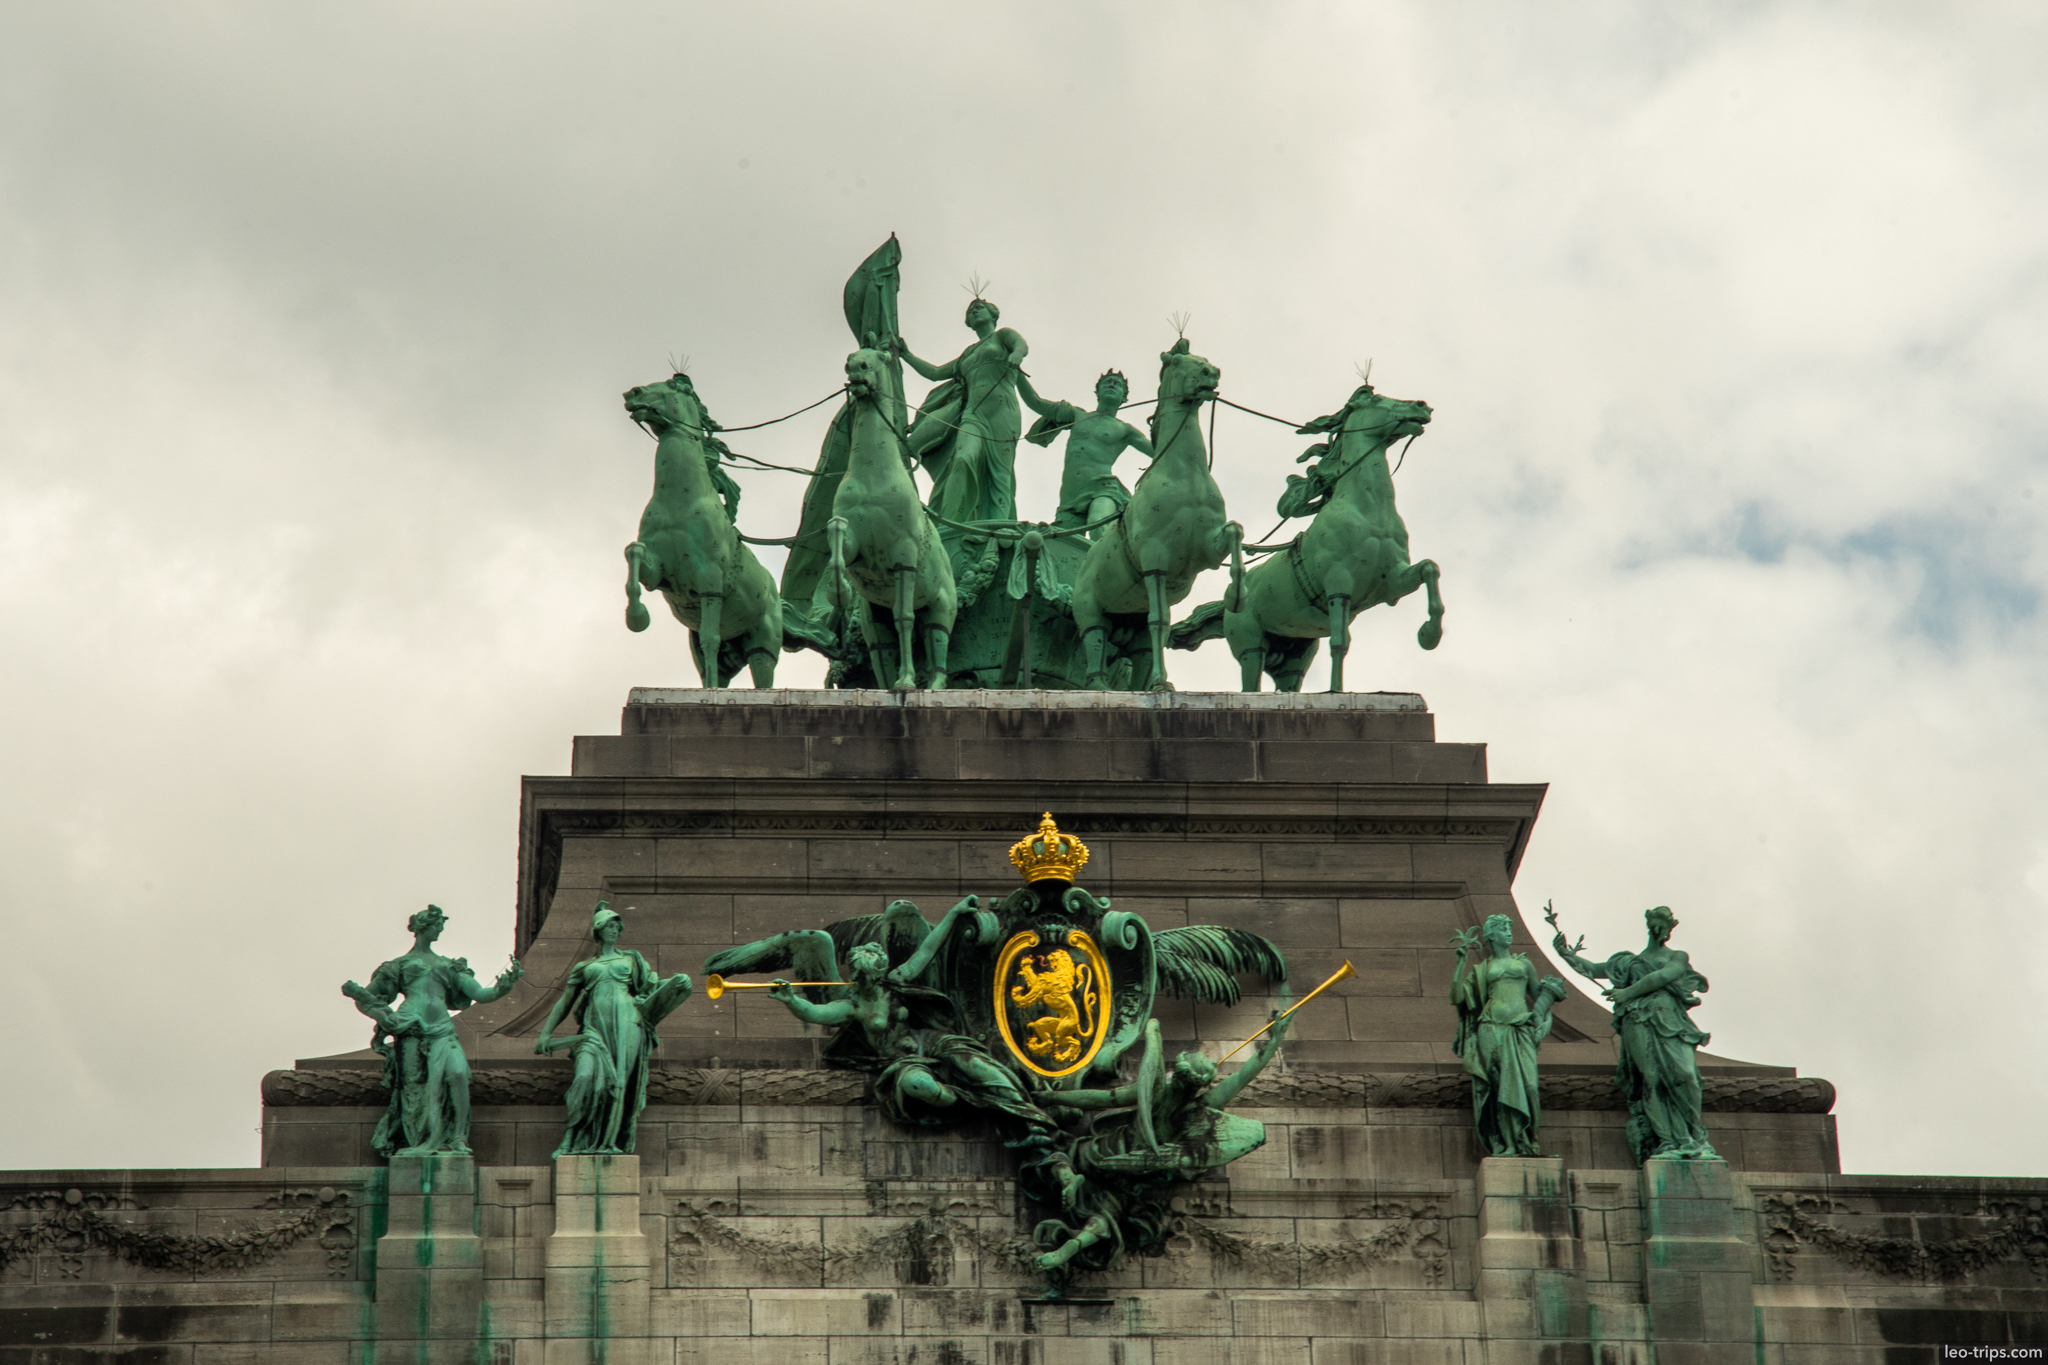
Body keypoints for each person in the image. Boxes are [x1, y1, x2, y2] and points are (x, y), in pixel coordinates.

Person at [767, 940, 1054, 1151]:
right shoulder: (851, 1006)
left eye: (865, 975)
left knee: (979, 1066)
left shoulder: (895, 982)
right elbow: (816, 1013)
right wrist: (793, 1001)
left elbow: (926, 950)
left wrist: (954, 913)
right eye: (856, 974)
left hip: (929, 1041)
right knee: (922, 1087)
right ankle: (979, 1104)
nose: (858, 980)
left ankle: (1028, 1120)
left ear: (878, 973)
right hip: (904, 1062)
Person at [343, 905, 524, 1158]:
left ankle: (458, 1138)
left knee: (458, 1073)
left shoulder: (449, 965)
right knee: (414, 1087)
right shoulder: (398, 965)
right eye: (438, 924)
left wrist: (503, 988)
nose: (441, 928)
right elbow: (366, 997)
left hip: (442, 1030)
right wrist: (386, 1017)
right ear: (423, 927)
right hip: (410, 1028)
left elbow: (482, 994)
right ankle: (419, 1141)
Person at [1548, 903, 1719, 1163]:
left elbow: (1665, 976)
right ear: (1650, 925)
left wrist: (1627, 992)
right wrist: (1566, 954)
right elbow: (1594, 970)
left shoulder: (1678, 956)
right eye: (1658, 923)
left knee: (1686, 1076)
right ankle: (1667, 1141)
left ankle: (1694, 1135)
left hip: (1669, 1018)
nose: (1662, 930)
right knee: (1650, 1079)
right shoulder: (1627, 962)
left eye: (1667, 925)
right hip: (1637, 1019)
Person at [533, 902, 694, 1157]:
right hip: (593, 1029)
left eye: (617, 925)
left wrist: (677, 983)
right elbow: (565, 1001)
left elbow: (652, 988)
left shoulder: (631, 960)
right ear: (598, 930)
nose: (614, 929)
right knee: (584, 1079)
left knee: (617, 1083)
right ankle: (570, 1140)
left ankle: (608, 1142)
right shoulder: (584, 967)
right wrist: (546, 1033)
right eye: (609, 924)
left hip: (628, 1024)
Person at [896, 297, 1028, 531]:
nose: (975, 310)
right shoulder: (968, 353)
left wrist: (1017, 354)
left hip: (1003, 414)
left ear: (993, 314)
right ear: (968, 321)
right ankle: (950, 524)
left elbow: (1021, 344)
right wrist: (906, 355)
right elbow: (936, 373)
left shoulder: (1002, 336)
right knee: (963, 459)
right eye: (971, 310)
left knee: (1000, 475)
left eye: (980, 307)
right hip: (973, 415)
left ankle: (997, 532)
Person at [1448, 914, 1568, 1157]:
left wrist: (1546, 1022)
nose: (1509, 932)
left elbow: (1539, 997)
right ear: (1491, 935)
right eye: (1503, 929)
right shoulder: (1483, 969)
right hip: (1491, 1028)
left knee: (1530, 1087)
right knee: (1501, 1087)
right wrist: (1460, 964)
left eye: (1509, 928)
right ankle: (1509, 1144)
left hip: (1521, 1029)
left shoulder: (1523, 964)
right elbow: (1457, 998)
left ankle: (1529, 1141)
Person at [1017, 368, 1154, 538]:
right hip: (1071, 496)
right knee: (1066, 546)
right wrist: (1016, 374)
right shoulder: (1077, 415)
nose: (1111, 384)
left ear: (1124, 397)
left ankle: (1109, 563)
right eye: (1107, 382)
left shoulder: (1126, 430)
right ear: (1097, 391)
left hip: (1103, 488)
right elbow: (1035, 402)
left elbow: (1158, 452)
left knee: (1098, 527)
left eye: (1117, 384)